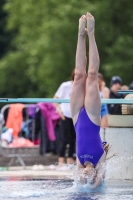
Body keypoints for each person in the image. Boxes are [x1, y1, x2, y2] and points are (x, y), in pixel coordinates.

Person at [70, 13, 107, 188]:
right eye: (88, 176)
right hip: (92, 118)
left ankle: (80, 35)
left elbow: (77, 183)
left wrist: (82, 181)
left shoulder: (79, 163)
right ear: (94, 174)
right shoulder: (100, 160)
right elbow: (99, 182)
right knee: (91, 76)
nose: (84, 173)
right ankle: (91, 34)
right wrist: (95, 182)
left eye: (83, 175)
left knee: (78, 75)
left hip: (77, 117)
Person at [54, 70, 76, 167]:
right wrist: (59, 110)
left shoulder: (82, 86)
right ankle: (61, 161)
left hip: (76, 115)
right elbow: (55, 99)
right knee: (64, 138)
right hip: (65, 115)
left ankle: (70, 160)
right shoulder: (65, 86)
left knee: (73, 138)